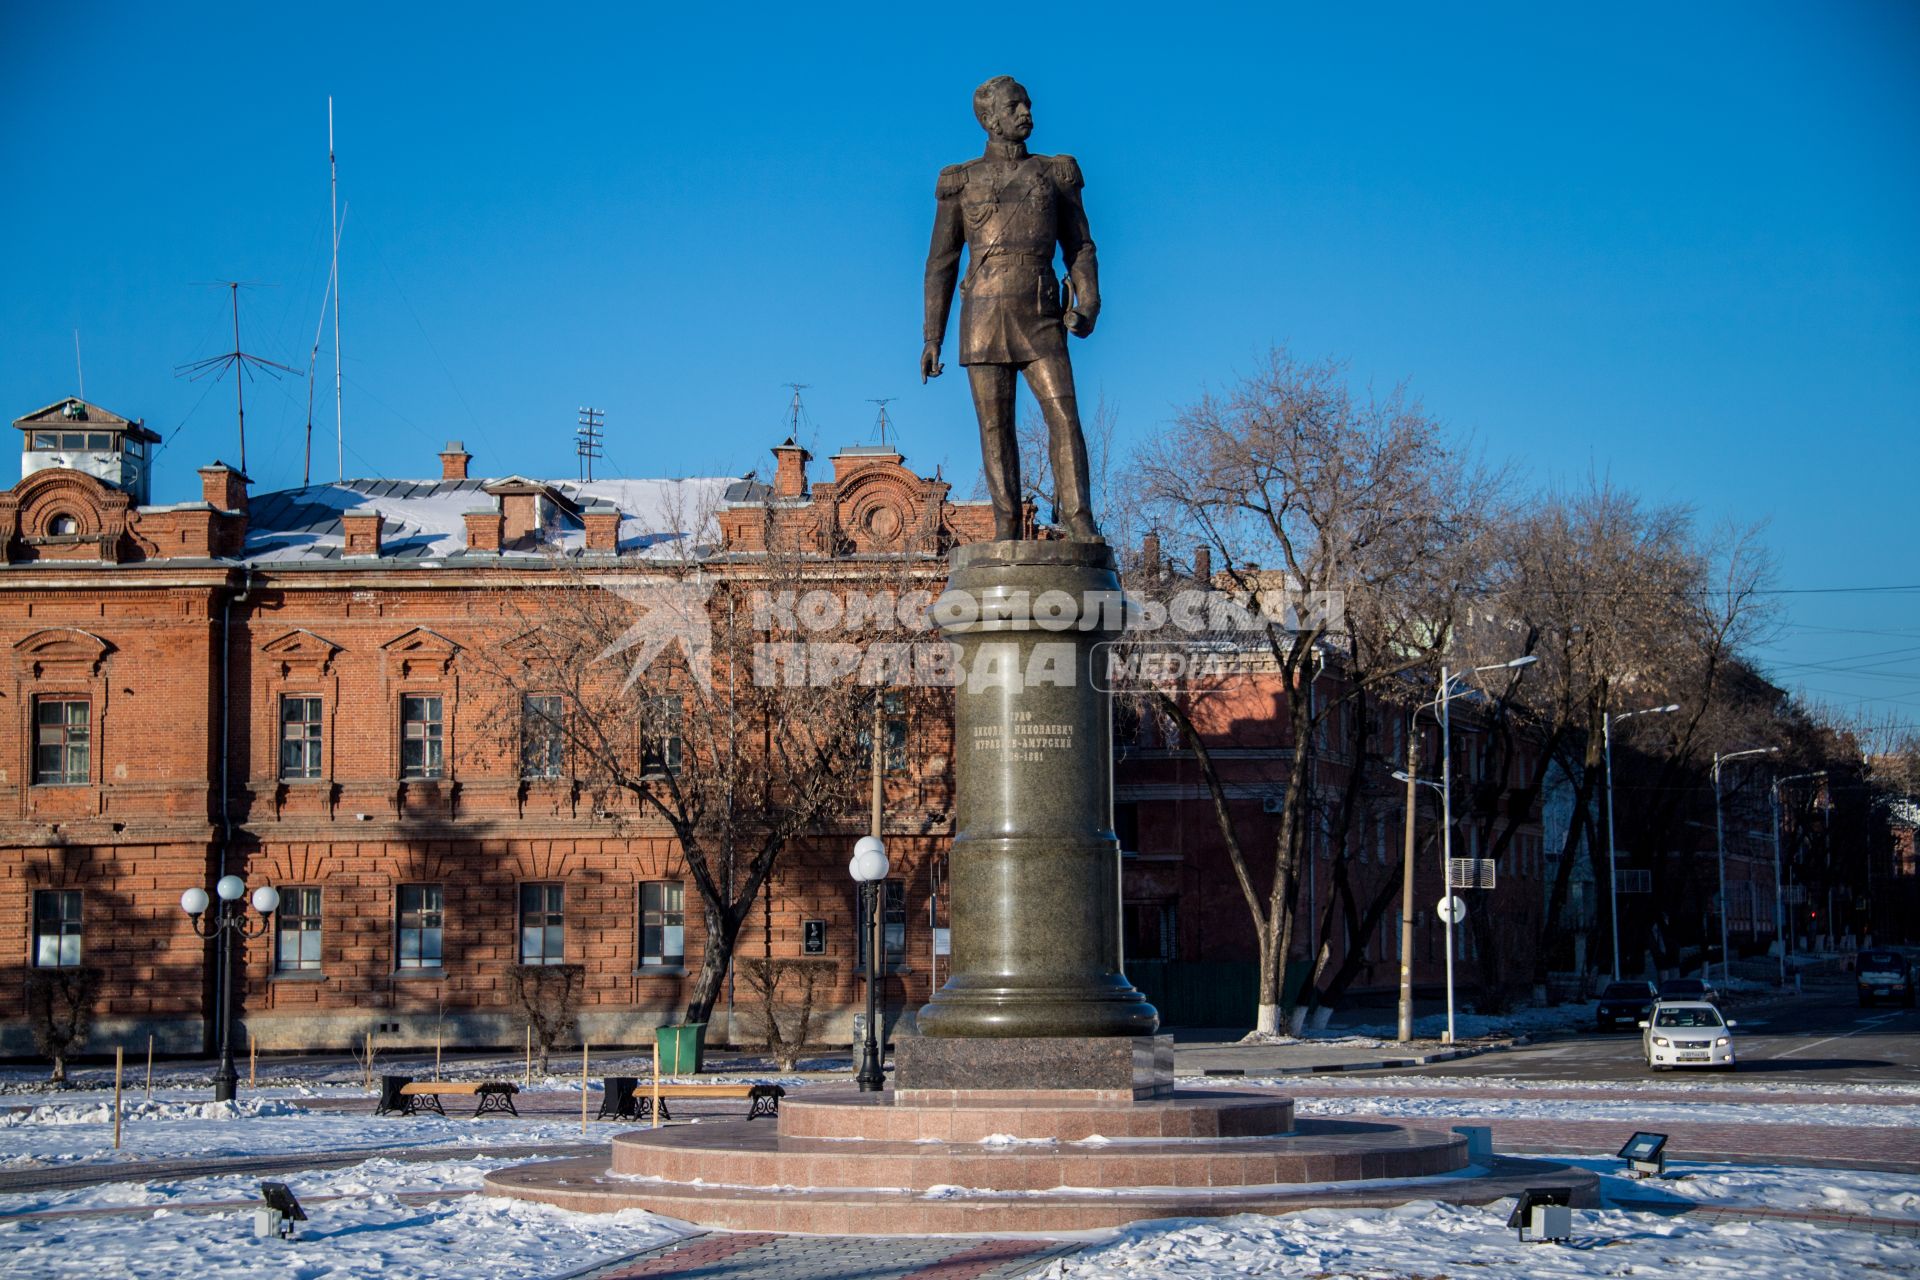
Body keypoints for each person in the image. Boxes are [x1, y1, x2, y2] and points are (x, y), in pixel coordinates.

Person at [921, 75, 1102, 543]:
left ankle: (1080, 519)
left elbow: (1079, 246)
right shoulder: (961, 181)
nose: (1026, 113)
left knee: (1064, 414)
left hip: (1041, 310)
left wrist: (1089, 301)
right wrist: (931, 336)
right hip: (981, 314)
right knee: (995, 428)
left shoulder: (1054, 173)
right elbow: (941, 262)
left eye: (1026, 103)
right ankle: (1007, 528)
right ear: (989, 119)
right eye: (1014, 106)